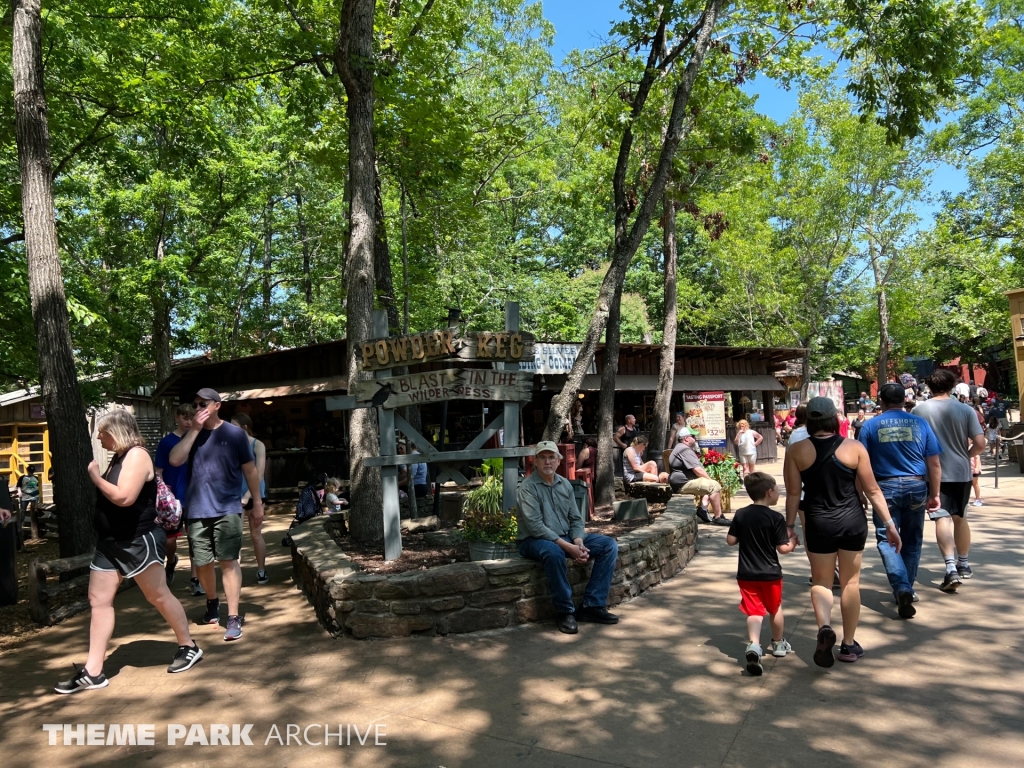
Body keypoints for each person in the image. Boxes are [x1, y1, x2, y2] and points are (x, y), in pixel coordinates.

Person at [54, 410, 202, 694]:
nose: (98, 437)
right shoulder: (119, 457)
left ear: (118, 431)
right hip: (110, 543)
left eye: (102, 432)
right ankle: (93, 671)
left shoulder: (137, 456)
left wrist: (95, 478)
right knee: (98, 600)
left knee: (157, 595)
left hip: (138, 539)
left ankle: (189, 646)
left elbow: (125, 497)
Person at [784, 397, 901, 667]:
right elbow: (872, 490)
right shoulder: (854, 447)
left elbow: (792, 493)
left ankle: (825, 627)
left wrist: (789, 527)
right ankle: (848, 645)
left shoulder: (797, 450)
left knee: (822, 582)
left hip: (818, 521)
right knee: (850, 583)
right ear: (834, 418)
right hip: (852, 521)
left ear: (810, 420)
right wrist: (890, 526)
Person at [168, 388, 262, 642]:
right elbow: (175, 460)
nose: (198, 408)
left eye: (202, 404)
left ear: (217, 405)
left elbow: (250, 471)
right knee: (203, 563)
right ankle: (212, 601)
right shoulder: (190, 434)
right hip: (197, 510)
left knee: (229, 561)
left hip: (228, 508)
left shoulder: (234, 434)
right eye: (195, 404)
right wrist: (195, 431)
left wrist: (257, 502)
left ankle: (233, 616)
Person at [516, 441, 619, 634]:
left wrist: (578, 541)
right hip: (532, 540)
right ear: (535, 461)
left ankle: (592, 606)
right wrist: (569, 548)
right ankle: (565, 611)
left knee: (608, 545)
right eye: (543, 457)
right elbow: (536, 527)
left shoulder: (565, 484)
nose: (548, 462)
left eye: (551, 457)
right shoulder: (527, 488)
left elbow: (576, 519)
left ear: (558, 461)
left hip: (565, 537)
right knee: (554, 553)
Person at [858, 382, 942, 618]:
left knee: (887, 539)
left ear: (881, 402)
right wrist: (934, 494)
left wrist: (861, 492)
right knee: (912, 539)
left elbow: (859, 464)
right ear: (904, 401)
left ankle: (901, 586)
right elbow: (934, 463)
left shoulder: (869, 427)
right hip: (917, 485)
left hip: (883, 488)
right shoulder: (920, 423)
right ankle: (908, 588)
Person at [914, 369, 986, 588]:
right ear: (952, 386)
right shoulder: (965, 410)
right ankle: (963, 563)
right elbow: (980, 443)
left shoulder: (919, 410)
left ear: (929, 387)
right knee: (960, 517)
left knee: (941, 518)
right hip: (961, 471)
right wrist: (967, 455)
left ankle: (950, 567)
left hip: (932, 473)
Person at [727, 472, 798, 675]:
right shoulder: (775, 518)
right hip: (770, 574)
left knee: (754, 611)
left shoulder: (741, 514)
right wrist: (793, 541)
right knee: (775, 608)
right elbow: (783, 549)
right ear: (769, 492)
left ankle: (754, 646)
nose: (778, 494)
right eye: (777, 490)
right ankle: (777, 644)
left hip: (746, 573)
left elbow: (731, 541)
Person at [155, 404, 200, 591]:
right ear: (176, 418)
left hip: (195, 497)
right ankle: (171, 561)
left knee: (196, 538)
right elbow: (158, 471)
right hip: (172, 500)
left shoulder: (199, 440)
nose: (188, 421)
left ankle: (195, 579)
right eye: (184, 418)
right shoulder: (166, 442)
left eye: (191, 418)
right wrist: (164, 496)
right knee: (170, 541)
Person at [231, 413, 268, 585]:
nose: (231, 429)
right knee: (235, 536)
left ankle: (261, 570)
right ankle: (235, 574)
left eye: (234, 425)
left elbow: (259, 473)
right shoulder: (232, 445)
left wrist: (248, 495)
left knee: (255, 535)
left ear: (244, 426)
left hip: (255, 496)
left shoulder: (257, 444)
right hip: (234, 496)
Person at [667, 428, 729, 525]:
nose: (695, 438)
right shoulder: (684, 450)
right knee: (714, 486)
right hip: (683, 484)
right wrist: (711, 480)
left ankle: (702, 509)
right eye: (693, 436)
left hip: (682, 482)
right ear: (686, 438)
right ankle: (718, 517)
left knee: (707, 483)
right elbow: (698, 470)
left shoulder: (680, 447)